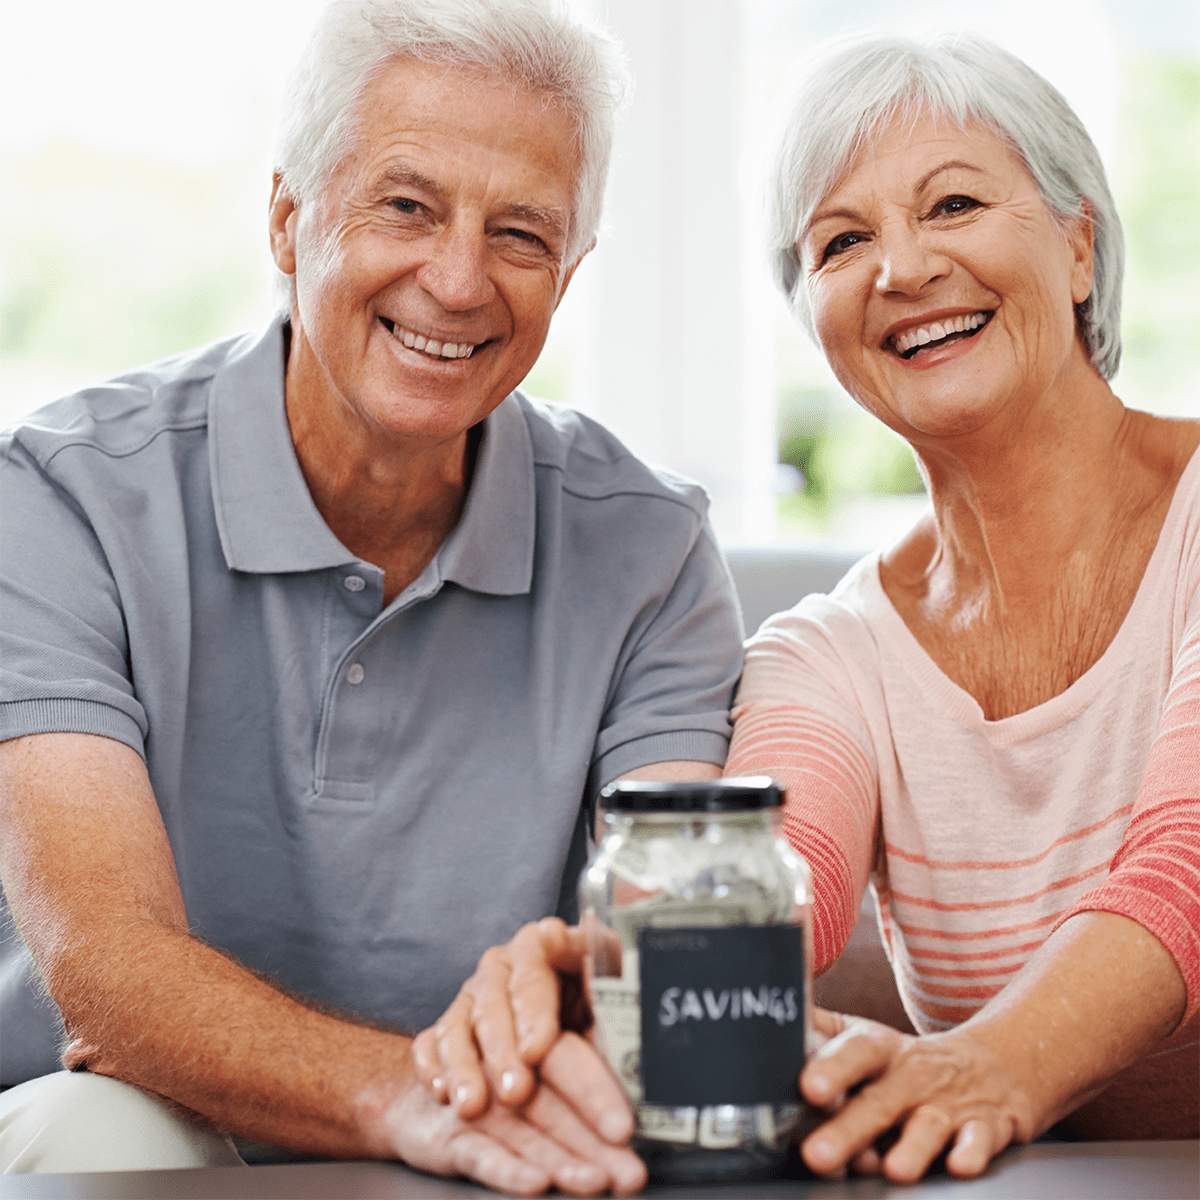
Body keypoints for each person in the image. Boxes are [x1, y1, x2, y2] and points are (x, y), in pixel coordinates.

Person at [413, 32, 1200, 1184]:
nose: (903, 268)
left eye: (956, 203)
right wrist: (622, 972)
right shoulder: (828, 653)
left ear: (1078, 245)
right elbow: (768, 883)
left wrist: (986, 1064)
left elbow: (1185, 865)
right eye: (842, 240)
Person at [0, 1, 744, 1192]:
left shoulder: (651, 546)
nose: (456, 282)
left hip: (484, 1135)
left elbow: (668, 945)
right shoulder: (63, 494)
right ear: (290, 219)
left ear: (574, 270)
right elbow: (108, 969)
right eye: (407, 206)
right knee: (115, 1137)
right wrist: (414, 1098)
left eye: (521, 233)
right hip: (144, 1123)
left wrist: (592, 1016)